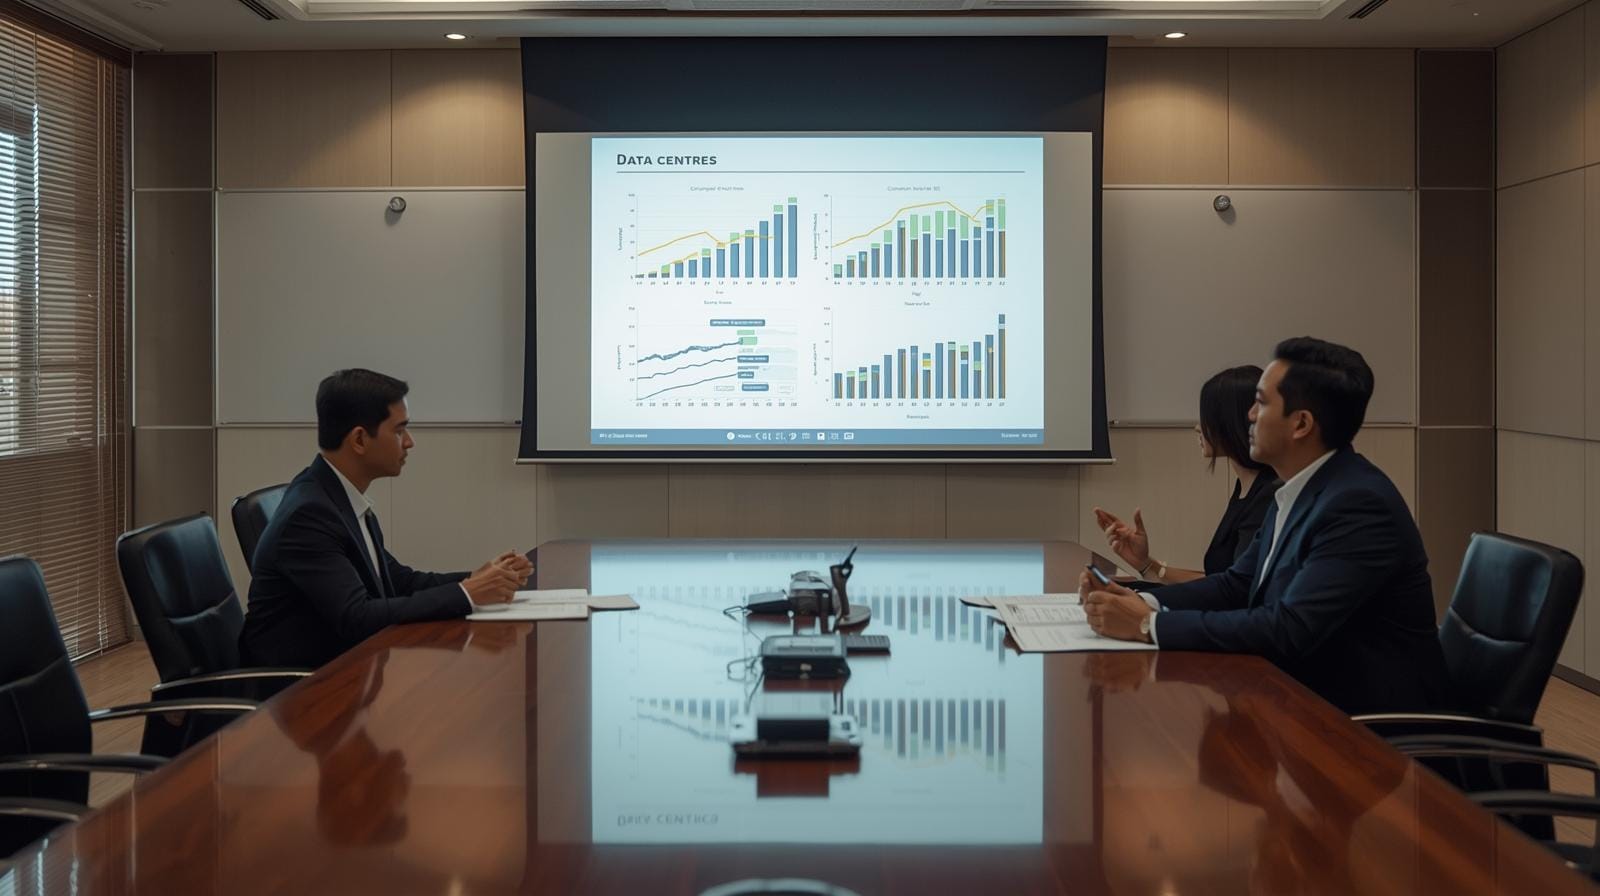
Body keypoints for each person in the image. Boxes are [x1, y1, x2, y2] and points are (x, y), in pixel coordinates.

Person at [1079, 337, 1451, 715]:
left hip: (1370, 732)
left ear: (1301, 424)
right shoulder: (1297, 488)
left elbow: (1289, 629)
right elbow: (1238, 583)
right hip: (1304, 704)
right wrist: (1142, 601)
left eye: (1261, 403)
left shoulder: (1358, 504)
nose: (1250, 416)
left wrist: (1148, 626)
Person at [239, 369, 532, 668]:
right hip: (296, 695)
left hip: (346, 674)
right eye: (399, 430)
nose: (409, 442)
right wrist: (466, 593)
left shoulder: (336, 495)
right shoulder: (310, 515)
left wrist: (476, 579)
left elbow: (395, 580)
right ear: (359, 440)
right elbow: (356, 617)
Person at [1094, 366, 1280, 585]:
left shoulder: (1268, 495)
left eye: (1207, 417)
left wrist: (1145, 598)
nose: (1197, 427)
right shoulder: (1246, 487)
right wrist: (1144, 564)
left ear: (1232, 422)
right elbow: (1219, 582)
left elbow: (1234, 593)